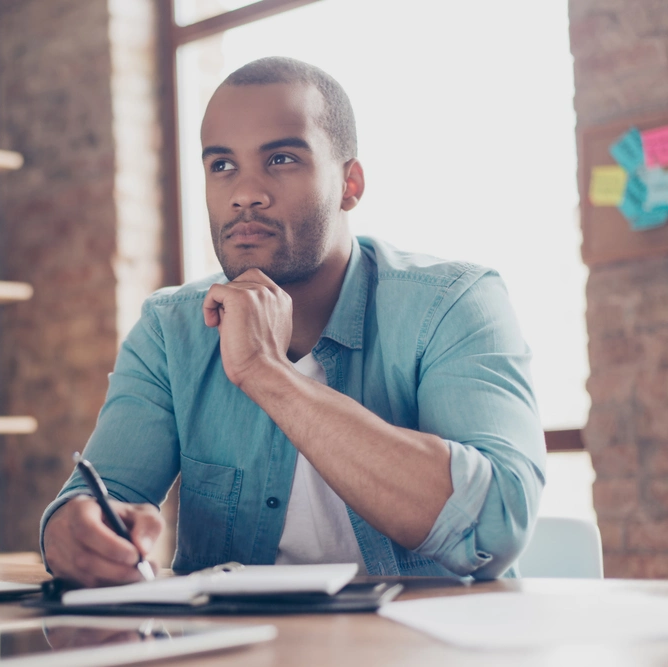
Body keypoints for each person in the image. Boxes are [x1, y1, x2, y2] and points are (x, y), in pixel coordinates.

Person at [40, 56, 546, 587]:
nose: (245, 192)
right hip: (235, 646)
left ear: (350, 184)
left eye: (281, 159)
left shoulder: (453, 303)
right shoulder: (172, 329)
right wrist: (71, 535)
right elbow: (98, 496)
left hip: (423, 644)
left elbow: (496, 527)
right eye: (222, 165)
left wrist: (268, 374)